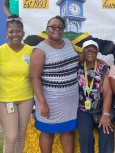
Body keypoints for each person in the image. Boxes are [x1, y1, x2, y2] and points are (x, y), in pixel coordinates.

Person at [29, 15, 79, 153]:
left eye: (60, 27)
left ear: (63, 29)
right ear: (47, 29)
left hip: (70, 100)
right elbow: (34, 78)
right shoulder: (40, 50)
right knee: (47, 132)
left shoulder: (68, 43)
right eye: (53, 27)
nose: (56, 29)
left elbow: (76, 61)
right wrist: (42, 103)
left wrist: (95, 60)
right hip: (50, 101)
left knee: (68, 131)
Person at [0, 14, 34, 153]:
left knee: (21, 135)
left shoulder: (31, 51)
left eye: (18, 31)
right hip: (6, 99)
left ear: (23, 33)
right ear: (6, 33)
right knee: (11, 136)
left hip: (26, 98)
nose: (15, 34)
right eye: (11, 31)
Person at [77, 40, 114, 153]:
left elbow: (108, 93)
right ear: (83, 51)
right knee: (85, 135)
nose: (90, 52)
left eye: (93, 50)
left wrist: (105, 114)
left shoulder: (103, 68)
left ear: (97, 52)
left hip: (100, 108)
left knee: (107, 132)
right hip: (83, 110)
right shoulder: (77, 68)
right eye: (87, 50)